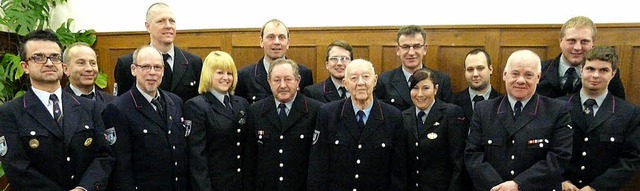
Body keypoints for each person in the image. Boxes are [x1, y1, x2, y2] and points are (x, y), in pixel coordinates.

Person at [0, 29, 113, 190]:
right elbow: (16, 167)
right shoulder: (10, 112)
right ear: (25, 66)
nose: (49, 63)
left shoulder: (88, 107)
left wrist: (84, 188)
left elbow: (103, 155)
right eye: (38, 57)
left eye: (54, 57)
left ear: (62, 64)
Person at [465, 50, 573, 190]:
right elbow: (473, 155)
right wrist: (500, 187)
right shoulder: (484, 110)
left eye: (528, 75)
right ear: (505, 75)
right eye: (515, 73)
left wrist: (519, 184)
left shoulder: (557, 110)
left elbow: (559, 157)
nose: (521, 80)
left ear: (538, 77)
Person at [308, 59, 407, 191]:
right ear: (345, 84)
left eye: (366, 77)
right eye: (354, 78)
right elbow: (318, 166)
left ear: (375, 80)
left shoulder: (392, 116)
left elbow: (398, 171)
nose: (361, 83)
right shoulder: (328, 114)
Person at [103, 46, 189, 190]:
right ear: (133, 69)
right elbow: (121, 168)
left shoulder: (175, 102)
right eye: (145, 67)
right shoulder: (118, 109)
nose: (152, 73)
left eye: (157, 67)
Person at [560, 46, 640, 191]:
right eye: (590, 69)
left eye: (604, 70)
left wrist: (596, 187)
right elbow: (545, 152)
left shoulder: (629, 113)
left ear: (613, 74)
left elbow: (631, 159)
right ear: (581, 70)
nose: (595, 75)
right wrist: (561, 180)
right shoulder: (558, 107)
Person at [244, 58, 322, 191]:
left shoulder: (316, 110)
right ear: (269, 82)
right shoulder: (255, 110)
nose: (282, 85)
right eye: (276, 80)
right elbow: (250, 159)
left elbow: (319, 161)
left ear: (298, 81)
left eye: (288, 79)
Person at [184, 51, 250, 191]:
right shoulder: (196, 106)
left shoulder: (241, 103)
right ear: (208, 75)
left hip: (240, 183)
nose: (226, 78)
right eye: (220, 73)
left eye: (230, 73)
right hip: (215, 185)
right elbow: (197, 158)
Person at [114, 2, 203, 102]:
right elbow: (122, 103)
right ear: (148, 27)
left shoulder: (194, 62)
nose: (168, 26)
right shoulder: (127, 63)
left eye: (172, 21)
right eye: (161, 21)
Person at [404, 68, 471, 190]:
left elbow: (459, 163)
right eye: (415, 88)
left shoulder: (451, 113)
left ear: (435, 89)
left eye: (425, 88)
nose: (420, 94)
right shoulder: (404, 117)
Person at [537, 16, 625, 99]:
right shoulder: (539, 69)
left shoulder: (606, 73)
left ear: (593, 43)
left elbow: (618, 108)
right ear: (560, 41)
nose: (577, 47)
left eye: (584, 41)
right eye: (572, 41)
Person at [375, 25, 453, 111]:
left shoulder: (441, 80)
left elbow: (447, 114)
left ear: (425, 49)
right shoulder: (384, 80)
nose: (411, 52)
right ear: (398, 50)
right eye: (405, 47)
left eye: (417, 46)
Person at [235, 19, 313, 104]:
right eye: (271, 37)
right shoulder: (244, 76)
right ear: (261, 41)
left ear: (288, 43)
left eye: (281, 37)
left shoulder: (303, 73)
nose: (276, 42)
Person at [63, 42, 116, 110]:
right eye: (81, 63)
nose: (89, 69)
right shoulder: (59, 104)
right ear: (66, 69)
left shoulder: (112, 102)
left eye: (93, 63)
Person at [452, 49, 501, 121]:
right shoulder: (453, 102)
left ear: (490, 69)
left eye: (480, 68)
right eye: (470, 69)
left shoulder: (503, 103)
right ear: (465, 72)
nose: (475, 74)